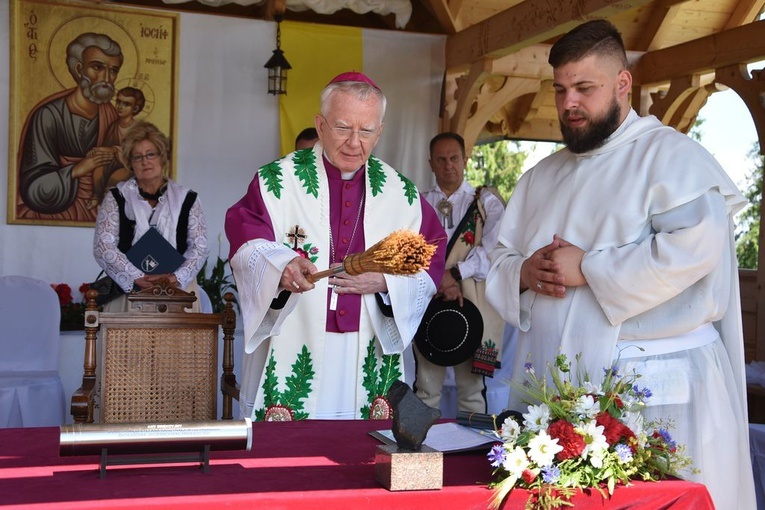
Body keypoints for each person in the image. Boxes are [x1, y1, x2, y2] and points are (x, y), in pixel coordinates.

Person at [485, 19, 755, 510]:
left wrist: (588, 268)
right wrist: (524, 273)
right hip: (552, 395)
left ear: (623, 83)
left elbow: (696, 249)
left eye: (585, 88)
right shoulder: (541, 176)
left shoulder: (672, 158)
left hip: (659, 399)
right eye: (561, 89)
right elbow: (499, 257)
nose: (569, 104)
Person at [225, 71, 447, 421]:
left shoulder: (399, 193)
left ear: (380, 131)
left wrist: (387, 282)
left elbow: (430, 252)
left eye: (367, 130)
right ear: (321, 124)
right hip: (294, 334)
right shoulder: (277, 181)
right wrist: (280, 264)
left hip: (366, 348)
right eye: (343, 128)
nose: (354, 142)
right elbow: (245, 233)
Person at [413, 132, 506, 413]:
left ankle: (471, 449)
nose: (448, 165)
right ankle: (420, 449)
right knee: (426, 386)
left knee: (472, 389)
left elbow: (495, 250)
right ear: (431, 163)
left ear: (465, 160)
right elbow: (407, 248)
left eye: (454, 158)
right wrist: (440, 278)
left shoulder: (485, 202)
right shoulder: (417, 201)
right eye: (441, 159)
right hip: (430, 296)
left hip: (473, 300)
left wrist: (454, 273)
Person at [93, 121, 209, 311]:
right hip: (129, 293)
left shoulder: (188, 198)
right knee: (128, 341)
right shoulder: (117, 197)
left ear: (162, 158)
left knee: (176, 342)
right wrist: (137, 277)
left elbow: (199, 246)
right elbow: (102, 246)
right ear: (130, 163)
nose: (145, 161)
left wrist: (174, 278)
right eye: (137, 157)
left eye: (150, 154)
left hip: (177, 291)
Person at [17, 32, 123, 223]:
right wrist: (77, 170)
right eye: (97, 67)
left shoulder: (113, 117)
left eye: (113, 70)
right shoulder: (49, 115)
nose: (107, 78)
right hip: (58, 207)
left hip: (102, 209)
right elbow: (33, 187)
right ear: (78, 68)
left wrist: (116, 153)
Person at [88, 86, 146, 209]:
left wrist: (114, 149)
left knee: (116, 178)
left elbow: (137, 154)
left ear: (135, 108)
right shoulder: (114, 126)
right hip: (114, 161)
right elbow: (108, 147)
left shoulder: (138, 129)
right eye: (118, 102)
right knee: (99, 170)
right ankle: (96, 197)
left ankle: (106, 205)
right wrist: (100, 152)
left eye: (126, 104)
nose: (120, 106)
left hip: (130, 166)